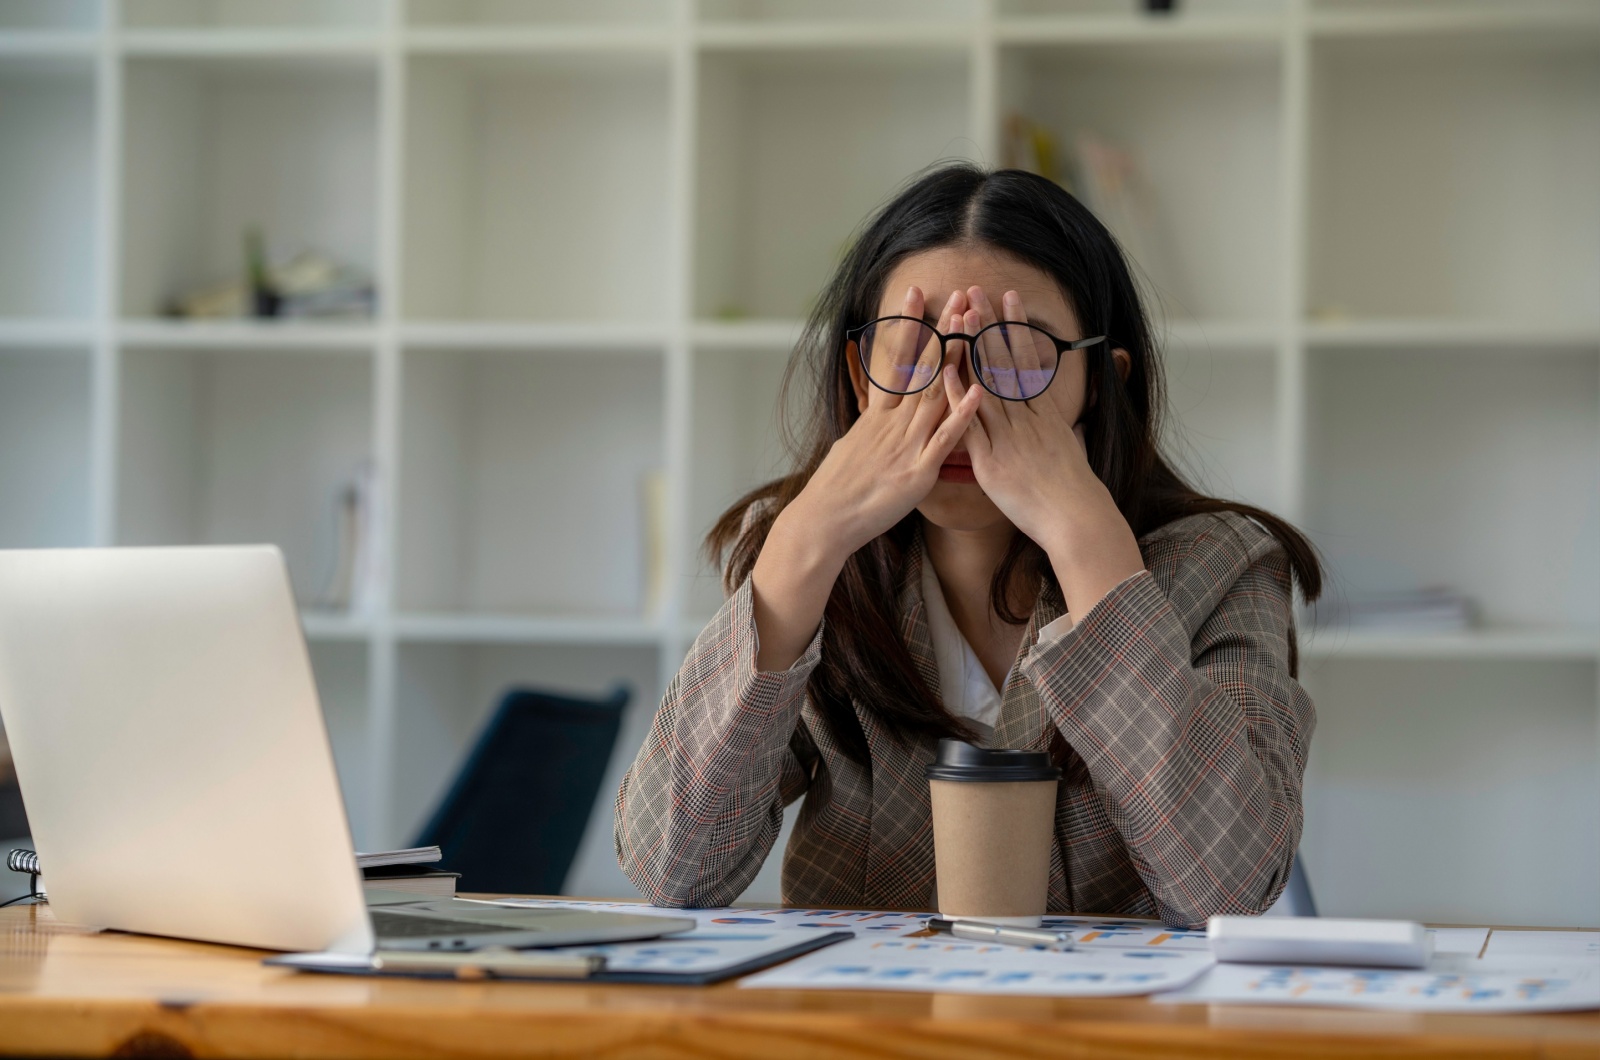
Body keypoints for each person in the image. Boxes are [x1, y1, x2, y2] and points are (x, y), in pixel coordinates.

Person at [615, 164, 1321, 926]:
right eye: (913, 348)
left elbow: (1228, 888)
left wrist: (1091, 549)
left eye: (1014, 351)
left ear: (1101, 384)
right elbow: (671, 869)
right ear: (859, 378)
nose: (957, 396)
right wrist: (804, 543)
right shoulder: (808, 560)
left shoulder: (1225, 564)